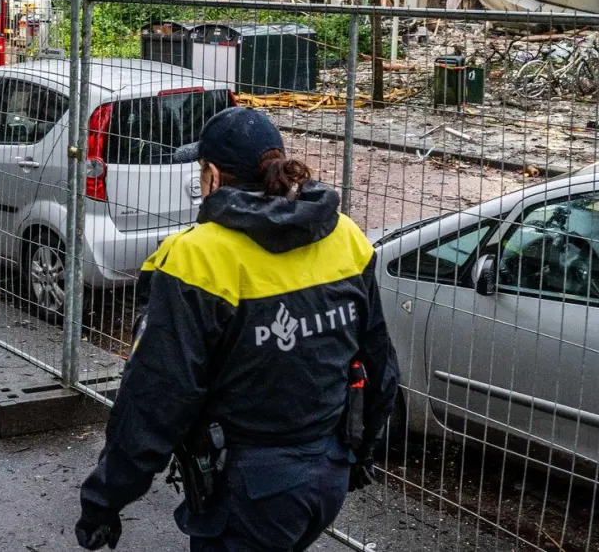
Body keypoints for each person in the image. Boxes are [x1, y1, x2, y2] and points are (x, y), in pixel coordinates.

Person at [76, 107, 400, 552]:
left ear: (211, 174)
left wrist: (104, 500)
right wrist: (359, 455)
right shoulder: (344, 235)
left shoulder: (198, 258)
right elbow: (380, 363)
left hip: (250, 489)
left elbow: (155, 396)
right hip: (329, 471)